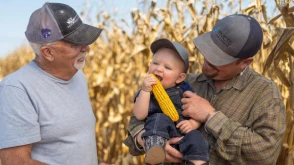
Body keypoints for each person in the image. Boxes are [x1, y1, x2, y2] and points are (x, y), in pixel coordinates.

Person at [124, 14, 286, 165]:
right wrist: (148, 140)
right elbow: (138, 119)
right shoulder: (186, 81)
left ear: (245, 62)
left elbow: (265, 155)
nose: (207, 61)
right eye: (209, 50)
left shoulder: (265, 94)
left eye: (218, 58)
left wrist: (211, 116)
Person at [0, 2, 111, 165]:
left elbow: (74, 144)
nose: (86, 47)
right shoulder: (17, 89)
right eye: (75, 44)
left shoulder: (79, 78)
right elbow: (17, 163)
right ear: (48, 52)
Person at [133, 38, 209, 165]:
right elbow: (139, 115)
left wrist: (193, 123)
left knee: (197, 138)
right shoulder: (146, 92)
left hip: (182, 132)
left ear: (180, 78)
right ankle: (154, 152)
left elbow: (196, 110)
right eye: (155, 63)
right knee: (158, 118)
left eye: (167, 67)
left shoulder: (185, 89)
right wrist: (145, 91)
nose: (159, 69)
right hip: (160, 137)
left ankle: (198, 162)